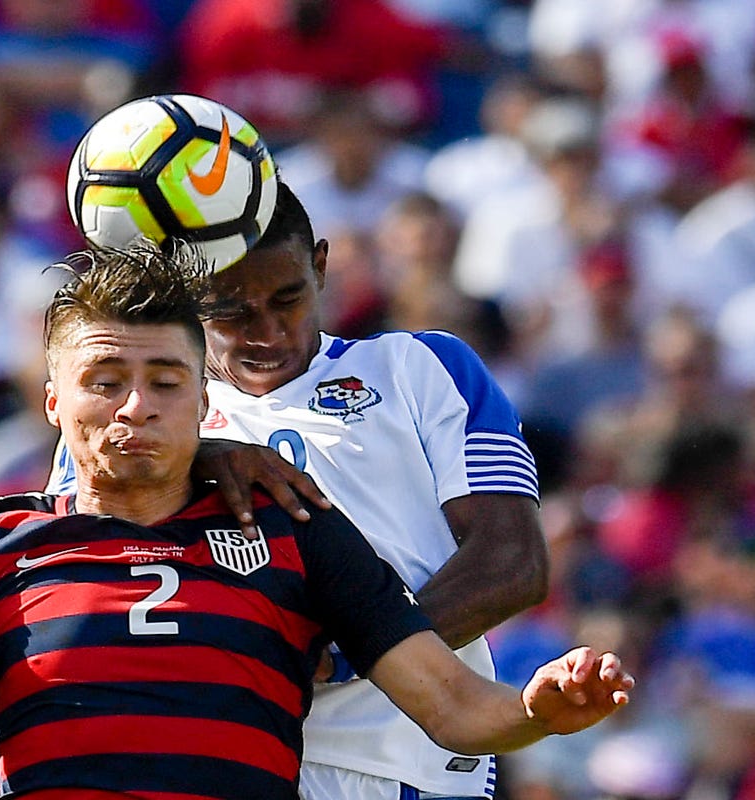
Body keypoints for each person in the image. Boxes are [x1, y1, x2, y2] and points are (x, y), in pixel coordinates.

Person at [0, 242, 634, 799]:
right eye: (105, 380)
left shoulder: (297, 532)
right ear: (53, 400)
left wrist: (540, 711)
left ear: (206, 400)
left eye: (166, 380)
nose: (135, 406)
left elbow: (454, 705)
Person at [50, 182, 551, 799]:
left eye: (287, 299)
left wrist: (342, 655)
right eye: (231, 311)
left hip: (403, 766)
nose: (267, 332)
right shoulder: (135, 422)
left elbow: (514, 564)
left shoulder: (421, 368)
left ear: (320, 265)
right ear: (188, 304)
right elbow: (79, 578)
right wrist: (199, 457)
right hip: (215, 764)